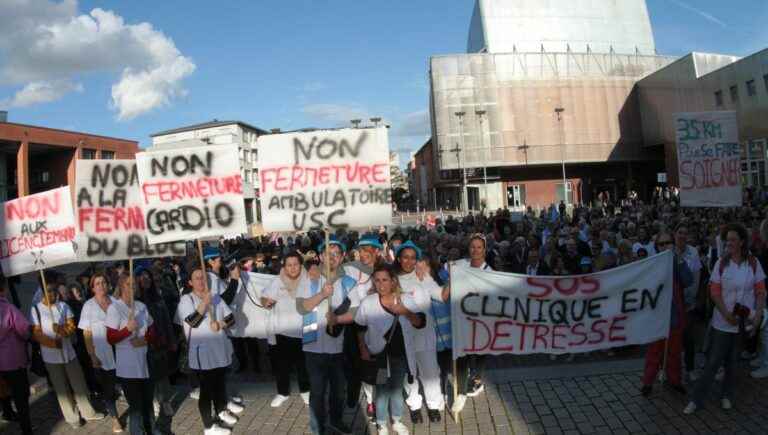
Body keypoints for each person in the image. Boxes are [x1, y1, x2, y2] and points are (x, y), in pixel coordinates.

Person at [684, 223, 766, 414]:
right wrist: (726, 314)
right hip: (722, 322)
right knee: (713, 362)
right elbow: (714, 292)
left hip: (743, 323)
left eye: (732, 239)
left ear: (742, 242)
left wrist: (758, 316)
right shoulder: (721, 263)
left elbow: (761, 292)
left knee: (733, 362)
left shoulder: (753, 263)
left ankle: (727, 395)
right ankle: (696, 399)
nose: (728, 243)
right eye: (727, 239)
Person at [296, 237, 358, 435]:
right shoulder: (309, 278)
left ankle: (336, 421)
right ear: (321, 256)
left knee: (339, 391)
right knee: (317, 392)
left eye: (336, 254)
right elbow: (301, 307)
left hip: (337, 347)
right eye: (327, 253)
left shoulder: (348, 281)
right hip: (312, 346)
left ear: (341, 258)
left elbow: (357, 311)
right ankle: (317, 428)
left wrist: (338, 320)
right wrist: (322, 295)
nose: (331, 257)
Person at [31, 271, 105, 429]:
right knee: (61, 389)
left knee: (79, 383)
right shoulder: (35, 310)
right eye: (48, 291)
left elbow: (71, 326)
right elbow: (36, 333)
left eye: (54, 290)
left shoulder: (64, 306)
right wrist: (51, 343)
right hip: (50, 357)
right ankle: (72, 418)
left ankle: (88, 412)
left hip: (69, 354)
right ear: (43, 292)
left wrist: (62, 330)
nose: (52, 293)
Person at [176, 261, 243, 435]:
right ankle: (208, 426)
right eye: (197, 278)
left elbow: (231, 318)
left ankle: (221, 410)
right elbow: (191, 322)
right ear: (190, 282)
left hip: (219, 349)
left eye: (204, 278)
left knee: (220, 384)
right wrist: (203, 304)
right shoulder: (186, 299)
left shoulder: (215, 297)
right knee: (207, 389)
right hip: (202, 353)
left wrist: (220, 323)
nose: (201, 281)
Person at [355, 265, 422, 435]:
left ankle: (397, 421)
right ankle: (382, 423)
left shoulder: (405, 299)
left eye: (385, 280)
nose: (381, 284)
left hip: (400, 356)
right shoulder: (368, 302)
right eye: (377, 280)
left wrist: (404, 311)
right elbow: (359, 327)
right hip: (379, 357)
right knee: (382, 391)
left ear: (393, 281)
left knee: (397, 390)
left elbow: (420, 323)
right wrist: (363, 349)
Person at [395, 241, 444, 424]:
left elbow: (441, 295)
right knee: (410, 374)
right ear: (399, 258)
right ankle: (415, 406)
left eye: (412, 257)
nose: (408, 261)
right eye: (405, 257)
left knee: (430, 372)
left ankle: (432, 405)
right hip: (403, 335)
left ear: (417, 259)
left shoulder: (423, 277)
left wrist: (456, 278)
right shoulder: (393, 279)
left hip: (424, 334)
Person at [640, 231, 692, 396]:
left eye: (668, 242)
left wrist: (679, 260)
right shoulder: (651, 264)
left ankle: (674, 380)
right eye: (661, 244)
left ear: (673, 244)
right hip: (656, 318)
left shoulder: (677, 262)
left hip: (674, 317)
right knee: (654, 353)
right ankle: (648, 382)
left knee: (674, 353)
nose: (665, 246)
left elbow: (688, 280)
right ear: (657, 247)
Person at [105, 273, 158, 435]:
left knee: (148, 401)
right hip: (127, 366)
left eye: (134, 284)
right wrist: (127, 330)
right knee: (135, 406)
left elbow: (153, 330)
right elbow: (110, 338)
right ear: (121, 286)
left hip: (144, 361)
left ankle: (152, 429)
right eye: (128, 284)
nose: (132, 287)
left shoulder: (141, 306)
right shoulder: (114, 308)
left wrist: (145, 340)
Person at [261, 252, 310, 407]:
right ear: (284, 266)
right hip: (282, 331)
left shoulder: (309, 280)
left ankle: (306, 391)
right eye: (289, 265)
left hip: (304, 330)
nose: (292, 268)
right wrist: (266, 301)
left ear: (300, 265)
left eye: (295, 264)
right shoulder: (277, 281)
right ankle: (283, 393)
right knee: (282, 366)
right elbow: (263, 296)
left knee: (304, 366)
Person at [79, 272, 123, 433]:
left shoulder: (116, 302)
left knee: (127, 381)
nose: (101, 285)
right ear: (92, 288)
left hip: (121, 350)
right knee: (108, 388)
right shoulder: (88, 306)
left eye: (103, 282)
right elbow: (87, 333)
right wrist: (92, 355)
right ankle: (115, 418)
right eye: (97, 283)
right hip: (102, 352)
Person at [135, 267, 177, 433]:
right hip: (144, 345)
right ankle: (154, 402)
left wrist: (171, 339)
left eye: (148, 276)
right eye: (142, 277)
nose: (145, 279)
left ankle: (164, 400)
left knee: (162, 375)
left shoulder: (157, 297)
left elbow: (166, 319)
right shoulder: (135, 300)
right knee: (149, 377)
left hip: (160, 342)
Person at [0, 275, 33, 435]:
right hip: (13, 360)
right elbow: (25, 330)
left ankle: (7, 412)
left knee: (3, 390)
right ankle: (26, 429)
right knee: (21, 396)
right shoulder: (8, 309)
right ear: (4, 288)